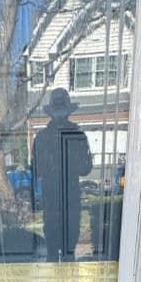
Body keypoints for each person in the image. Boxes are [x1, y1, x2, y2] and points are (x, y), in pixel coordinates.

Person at [32, 88, 92, 261]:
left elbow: (85, 168)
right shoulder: (76, 135)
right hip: (58, 200)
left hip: (64, 200)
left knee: (61, 253)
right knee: (64, 254)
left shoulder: (43, 138)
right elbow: (85, 168)